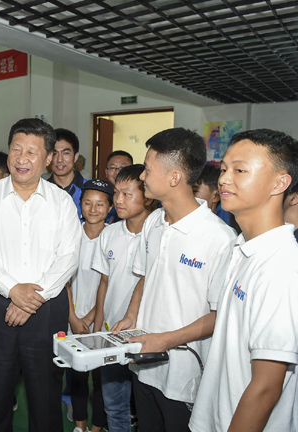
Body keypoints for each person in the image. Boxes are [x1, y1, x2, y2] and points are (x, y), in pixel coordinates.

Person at [111, 128, 236, 432]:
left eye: (148, 168)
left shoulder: (220, 238)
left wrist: (164, 340)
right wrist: (130, 315)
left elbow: (220, 316)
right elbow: (146, 277)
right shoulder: (154, 221)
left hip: (185, 377)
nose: (142, 175)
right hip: (145, 364)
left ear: (175, 177)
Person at [0, 118, 82, 432]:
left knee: (45, 392)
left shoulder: (61, 203)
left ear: (47, 159)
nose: (21, 158)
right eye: (16, 149)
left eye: (32, 152)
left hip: (47, 309)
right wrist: (12, 290)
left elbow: (69, 256)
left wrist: (33, 297)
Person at [189, 129, 298, 432]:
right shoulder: (242, 247)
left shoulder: (281, 266)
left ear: (280, 182)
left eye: (240, 170)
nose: (224, 179)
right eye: (224, 169)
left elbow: (266, 388)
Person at [92, 165, 154, 432]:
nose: (118, 200)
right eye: (116, 192)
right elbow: (103, 282)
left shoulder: (160, 233)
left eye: (127, 194)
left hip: (148, 335)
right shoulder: (109, 234)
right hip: (113, 334)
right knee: (114, 404)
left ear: (148, 196)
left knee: (148, 407)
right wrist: (98, 324)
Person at [67, 179, 113, 432]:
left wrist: (93, 318)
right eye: (87, 203)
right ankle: (80, 426)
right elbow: (64, 279)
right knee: (76, 375)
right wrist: (73, 317)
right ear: (80, 204)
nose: (93, 209)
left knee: (101, 379)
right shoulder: (71, 234)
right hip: (72, 316)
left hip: (101, 321)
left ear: (110, 207)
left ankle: (97, 427)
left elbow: (108, 283)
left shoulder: (113, 237)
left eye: (100, 204)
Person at [47, 128, 87, 219]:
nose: (59, 160)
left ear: (76, 157)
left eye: (65, 153)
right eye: (54, 153)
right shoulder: (41, 191)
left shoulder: (89, 190)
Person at [105, 151, 133, 224]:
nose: (117, 172)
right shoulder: (102, 194)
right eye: (112, 167)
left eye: (122, 168)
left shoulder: (140, 194)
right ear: (106, 172)